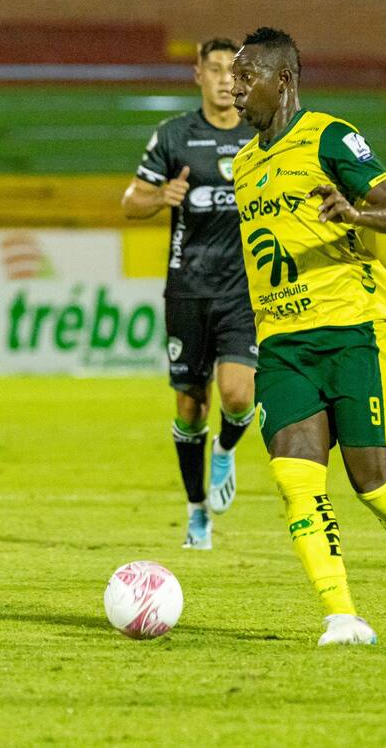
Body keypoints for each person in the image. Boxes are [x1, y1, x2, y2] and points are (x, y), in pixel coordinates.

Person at [230, 26, 386, 646]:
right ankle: (342, 615)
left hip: (354, 325)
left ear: (285, 81)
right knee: (295, 475)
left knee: (371, 480)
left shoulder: (330, 136)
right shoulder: (244, 164)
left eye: (247, 79)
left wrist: (354, 213)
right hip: (282, 340)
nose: (235, 89)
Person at [120, 38, 258, 550]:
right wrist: (160, 197)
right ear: (197, 74)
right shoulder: (174, 135)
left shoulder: (260, 136)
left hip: (244, 289)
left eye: (233, 70)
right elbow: (130, 201)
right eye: (216, 68)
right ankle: (197, 508)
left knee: (239, 396)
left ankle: (226, 447)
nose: (225, 78)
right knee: (190, 405)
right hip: (187, 288)